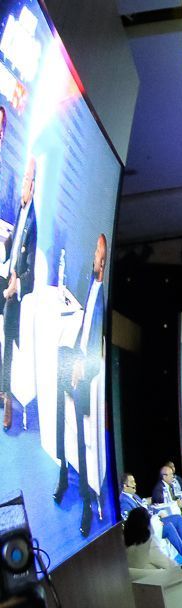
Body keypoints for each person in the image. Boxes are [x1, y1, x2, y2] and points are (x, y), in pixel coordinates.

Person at [52, 234, 108, 536]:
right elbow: (84, 331)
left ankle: (86, 500)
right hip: (77, 360)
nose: (96, 260)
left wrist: (81, 367)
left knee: (75, 406)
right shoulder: (90, 286)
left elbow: (96, 348)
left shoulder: (102, 296)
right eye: (96, 254)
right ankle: (63, 470)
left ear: (104, 261)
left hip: (88, 375)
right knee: (58, 399)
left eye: (100, 256)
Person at [1, 157, 37, 431]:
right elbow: (13, 246)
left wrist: (16, 287)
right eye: (23, 179)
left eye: (26, 181)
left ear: (33, 186)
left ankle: (7, 398)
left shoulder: (33, 223)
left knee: (9, 347)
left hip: (18, 295)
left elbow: (31, 276)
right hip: (7, 280)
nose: (23, 185)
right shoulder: (20, 209)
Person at [123, 506, 177, 576]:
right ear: (147, 524)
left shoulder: (123, 543)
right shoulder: (149, 544)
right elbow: (170, 565)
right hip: (154, 580)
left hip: (135, 580)